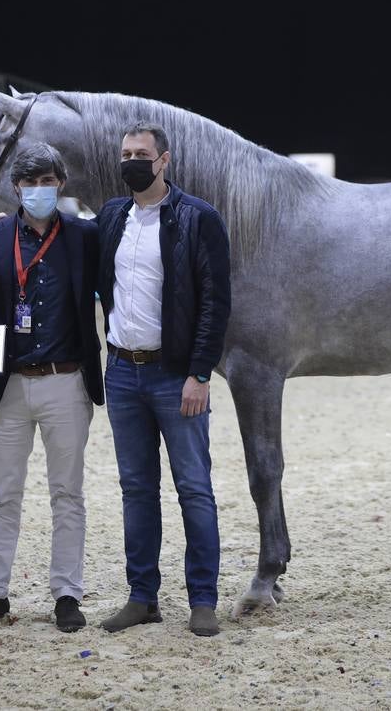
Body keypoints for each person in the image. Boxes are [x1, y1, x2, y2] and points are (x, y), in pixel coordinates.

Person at [0, 144, 103, 634]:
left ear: (61, 183)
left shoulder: (84, 235)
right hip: (9, 385)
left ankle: (67, 594)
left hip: (66, 380)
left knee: (68, 494)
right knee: (2, 495)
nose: (39, 190)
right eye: (29, 183)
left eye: (47, 181)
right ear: (15, 188)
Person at [97, 122, 231, 638]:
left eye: (142, 153)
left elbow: (216, 304)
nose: (132, 160)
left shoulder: (199, 219)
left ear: (164, 160)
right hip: (122, 373)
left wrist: (199, 373)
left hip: (176, 377)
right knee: (137, 490)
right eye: (125, 152)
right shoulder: (112, 216)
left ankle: (203, 599)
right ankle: (142, 596)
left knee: (194, 489)